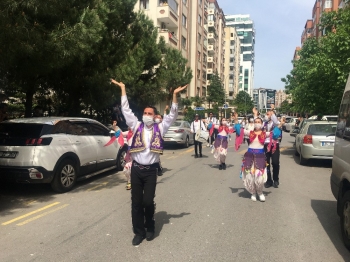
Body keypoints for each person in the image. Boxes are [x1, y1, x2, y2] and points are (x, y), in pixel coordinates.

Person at [111, 78, 187, 246]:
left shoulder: (160, 128)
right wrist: (123, 88)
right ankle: (139, 232)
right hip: (137, 170)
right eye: (144, 113)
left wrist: (175, 95)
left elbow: (172, 114)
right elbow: (126, 109)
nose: (146, 115)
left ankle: (150, 226)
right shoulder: (136, 125)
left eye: (149, 113)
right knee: (136, 203)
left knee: (147, 201)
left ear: (154, 116)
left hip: (151, 170)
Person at [234, 110, 285, 202]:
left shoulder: (264, 134)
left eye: (259, 122)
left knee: (259, 177)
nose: (257, 124)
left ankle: (260, 192)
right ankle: (253, 192)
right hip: (249, 157)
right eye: (255, 122)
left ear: (262, 124)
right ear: (253, 124)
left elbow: (275, 134)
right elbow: (239, 130)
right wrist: (236, 119)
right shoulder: (250, 133)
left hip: (260, 157)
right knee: (250, 176)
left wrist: (280, 124)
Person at [263, 104, 282, 189]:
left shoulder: (275, 123)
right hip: (265, 145)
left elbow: (276, 121)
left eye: (268, 114)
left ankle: (276, 179)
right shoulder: (264, 123)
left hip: (274, 145)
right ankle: (269, 180)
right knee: (266, 163)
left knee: (275, 162)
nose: (267, 116)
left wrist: (273, 110)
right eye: (266, 114)